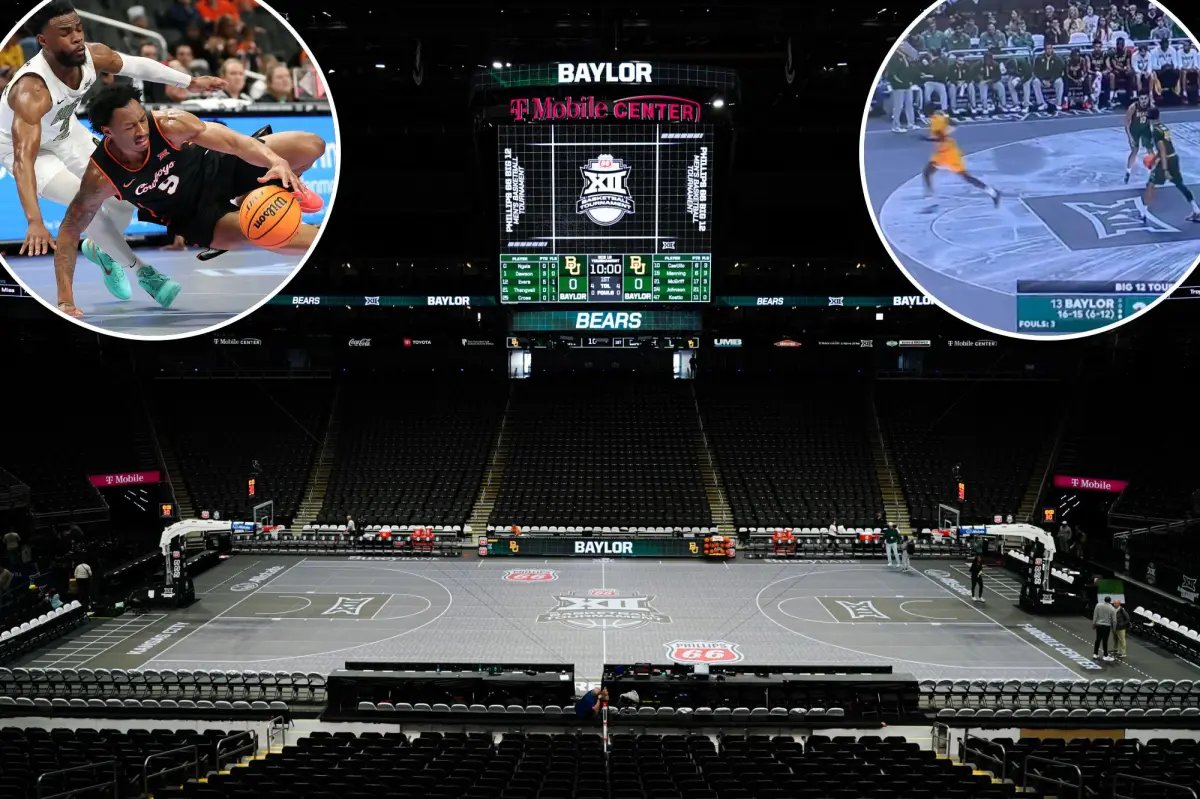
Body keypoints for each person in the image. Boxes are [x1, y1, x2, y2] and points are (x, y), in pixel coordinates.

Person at [0, 2, 227, 304]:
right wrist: (34, 220)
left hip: (67, 133)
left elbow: (136, 65)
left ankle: (102, 252)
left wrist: (190, 82)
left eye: (78, 28)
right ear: (43, 41)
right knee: (84, 204)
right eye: (65, 33)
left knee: (125, 193)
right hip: (30, 152)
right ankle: (143, 271)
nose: (77, 37)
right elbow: (23, 160)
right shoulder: (32, 91)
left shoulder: (91, 55)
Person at [52, 84, 327, 317]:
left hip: (217, 167)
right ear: (108, 131)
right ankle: (252, 210)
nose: (141, 130)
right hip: (194, 215)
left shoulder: (170, 124)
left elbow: (236, 143)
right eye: (129, 126)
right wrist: (65, 300)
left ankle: (257, 194)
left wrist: (276, 162)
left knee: (312, 145)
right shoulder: (101, 176)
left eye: (141, 119)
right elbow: (70, 229)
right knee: (269, 231)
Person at [921, 111, 1001, 213]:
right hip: (942, 152)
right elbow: (952, 126)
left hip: (949, 154)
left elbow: (941, 138)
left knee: (965, 177)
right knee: (927, 172)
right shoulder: (937, 118)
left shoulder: (937, 120)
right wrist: (947, 121)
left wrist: (927, 139)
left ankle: (993, 192)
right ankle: (931, 200)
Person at [1142, 105, 1200, 224]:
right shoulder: (1164, 128)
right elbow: (1165, 147)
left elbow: (1162, 149)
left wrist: (1165, 169)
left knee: (1150, 184)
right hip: (1173, 157)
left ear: (1149, 119)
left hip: (1166, 160)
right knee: (1179, 184)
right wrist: (1154, 159)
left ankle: (1143, 213)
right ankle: (1196, 209)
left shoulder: (1155, 131)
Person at [1124, 89, 1154, 184]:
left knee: (1150, 150)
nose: (1144, 101)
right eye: (1141, 99)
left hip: (1145, 130)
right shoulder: (1133, 107)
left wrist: (1153, 134)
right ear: (1138, 99)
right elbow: (1126, 124)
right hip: (1134, 130)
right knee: (1134, 151)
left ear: (1148, 98)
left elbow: (1154, 122)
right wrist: (1130, 138)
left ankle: (1152, 173)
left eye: (1145, 98)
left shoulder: (1151, 107)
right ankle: (1128, 172)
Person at [1093, 596, 1115, 661]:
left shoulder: (1098, 605)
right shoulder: (1112, 608)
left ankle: (1095, 654)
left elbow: (1095, 615)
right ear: (1110, 601)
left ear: (1104, 600)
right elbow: (1114, 620)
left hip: (1099, 625)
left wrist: (1094, 624)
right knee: (1105, 641)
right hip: (1107, 626)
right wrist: (1114, 628)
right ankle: (1105, 655)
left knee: (1098, 640)